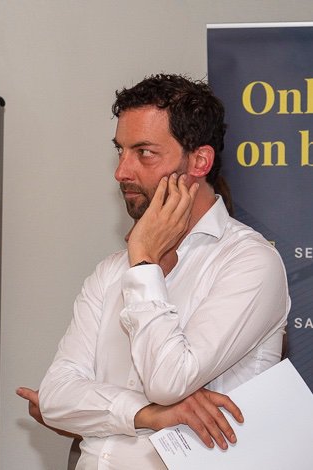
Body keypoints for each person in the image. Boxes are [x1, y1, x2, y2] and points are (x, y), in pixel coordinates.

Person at [33, 74, 290, 469]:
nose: (122, 171)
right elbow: (55, 396)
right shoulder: (111, 269)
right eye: (120, 151)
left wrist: (144, 263)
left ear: (199, 161)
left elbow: (169, 381)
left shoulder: (249, 261)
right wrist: (148, 414)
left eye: (144, 153)